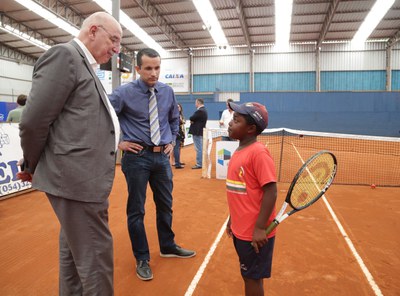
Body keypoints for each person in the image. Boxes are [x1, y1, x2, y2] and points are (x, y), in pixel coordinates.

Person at [17, 12, 122, 296]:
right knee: (96, 260)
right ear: (93, 31)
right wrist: (30, 163)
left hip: (82, 178)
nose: (116, 48)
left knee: (74, 253)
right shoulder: (65, 56)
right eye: (113, 39)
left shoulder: (86, 65)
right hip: (77, 180)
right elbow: (34, 121)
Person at [108, 48, 196, 281]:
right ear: (138, 69)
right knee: (136, 210)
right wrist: (119, 142)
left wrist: (172, 140)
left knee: (165, 205)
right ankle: (142, 258)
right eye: (148, 68)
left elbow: (173, 119)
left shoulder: (167, 92)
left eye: (157, 68)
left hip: (161, 158)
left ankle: (167, 246)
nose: (154, 73)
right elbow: (103, 117)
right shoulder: (123, 93)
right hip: (136, 158)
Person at [225, 102, 277, 296]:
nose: (230, 123)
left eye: (236, 120)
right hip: (241, 230)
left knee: (252, 278)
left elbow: (271, 191)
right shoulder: (239, 151)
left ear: (251, 129)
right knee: (248, 274)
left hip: (254, 233)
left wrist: (260, 227)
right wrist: (232, 219)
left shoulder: (258, 153)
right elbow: (238, 191)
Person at [188, 98, 208, 169]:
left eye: (195, 102)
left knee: (199, 148)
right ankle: (201, 162)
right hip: (200, 131)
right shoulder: (203, 110)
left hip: (197, 132)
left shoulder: (200, 111)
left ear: (198, 103)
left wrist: (193, 121)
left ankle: (199, 163)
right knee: (200, 148)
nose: (195, 104)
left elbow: (191, 118)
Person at [173, 103, 186, 169]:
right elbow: (178, 123)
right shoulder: (176, 115)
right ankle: (177, 164)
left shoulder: (180, 115)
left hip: (180, 133)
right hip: (177, 133)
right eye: (177, 107)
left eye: (179, 107)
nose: (179, 108)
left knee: (178, 148)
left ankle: (178, 162)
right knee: (176, 148)